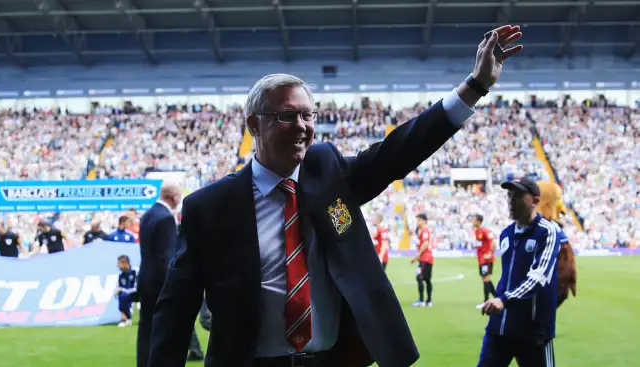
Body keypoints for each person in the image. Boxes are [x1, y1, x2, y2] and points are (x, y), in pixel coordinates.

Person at [150, 25, 524, 367]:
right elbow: (176, 309)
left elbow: (400, 150)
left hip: (333, 360)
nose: (302, 127)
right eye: (286, 116)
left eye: (307, 115)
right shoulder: (209, 207)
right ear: (254, 125)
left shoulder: (327, 170)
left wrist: (475, 86)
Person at [478, 178, 562, 367]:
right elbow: (507, 278)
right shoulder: (506, 234)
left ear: (535, 200)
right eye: (509, 195)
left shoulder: (548, 232)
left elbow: (538, 277)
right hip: (500, 327)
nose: (511, 201)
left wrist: (504, 300)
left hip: (533, 331)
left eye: (518, 196)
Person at [137, 181, 203, 367]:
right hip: (160, 282)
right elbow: (167, 256)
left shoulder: (147, 215)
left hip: (146, 279)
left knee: (146, 329)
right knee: (166, 329)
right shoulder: (166, 218)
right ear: (173, 197)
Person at [472, 214, 497, 308]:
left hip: (486, 259)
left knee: (485, 278)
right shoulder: (477, 231)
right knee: (485, 279)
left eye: (474, 220)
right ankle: (497, 297)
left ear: (479, 221)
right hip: (481, 259)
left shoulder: (484, 231)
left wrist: (491, 253)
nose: (472, 222)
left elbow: (494, 242)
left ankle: (486, 301)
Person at [410, 213, 434, 307]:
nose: (417, 222)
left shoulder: (425, 230)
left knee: (420, 277)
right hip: (426, 259)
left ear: (424, 220)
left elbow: (425, 243)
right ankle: (428, 301)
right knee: (426, 279)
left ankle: (422, 300)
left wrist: (417, 256)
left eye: (418, 220)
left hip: (425, 258)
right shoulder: (421, 231)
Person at [115, 255, 138, 327]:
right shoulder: (121, 275)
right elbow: (119, 287)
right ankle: (126, 319)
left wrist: (123, 290)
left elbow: (138, 287)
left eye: (119, 263)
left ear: (124, 263)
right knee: (121, 295)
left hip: (139, 293)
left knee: (123, 294)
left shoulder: (135, 271)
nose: (117, 265)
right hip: (128, 294)